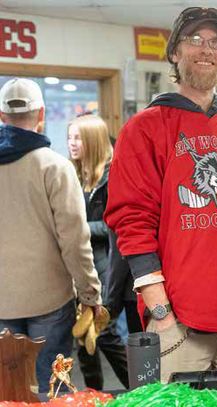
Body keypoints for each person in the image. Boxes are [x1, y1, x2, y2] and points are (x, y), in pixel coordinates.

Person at [104, 6, 217, 382]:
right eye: (195, 40)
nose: (206, 49)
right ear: (174, 53)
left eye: (216, 42)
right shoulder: (146, 129)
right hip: (179, 319)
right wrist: (159, 309)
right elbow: (132, 219)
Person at [0, 78, 102, 393]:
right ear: (41, 113)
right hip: (49, 300)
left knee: (8, 392)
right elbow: (74, 240)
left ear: (2, 117)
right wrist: (90, 293)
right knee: (48, 390)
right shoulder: (55, 167)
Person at [67, 114, 129, 390]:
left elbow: (116, 224)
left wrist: (80, 228)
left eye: (78, 137)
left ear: (92, 140)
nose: (72, 143)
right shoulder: (71, 174)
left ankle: (144, 391)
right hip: (78, 266)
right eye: (69, 137)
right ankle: (93, 395)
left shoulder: (114, 174)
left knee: (105, 335)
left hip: (106, 266)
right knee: (83, 339)